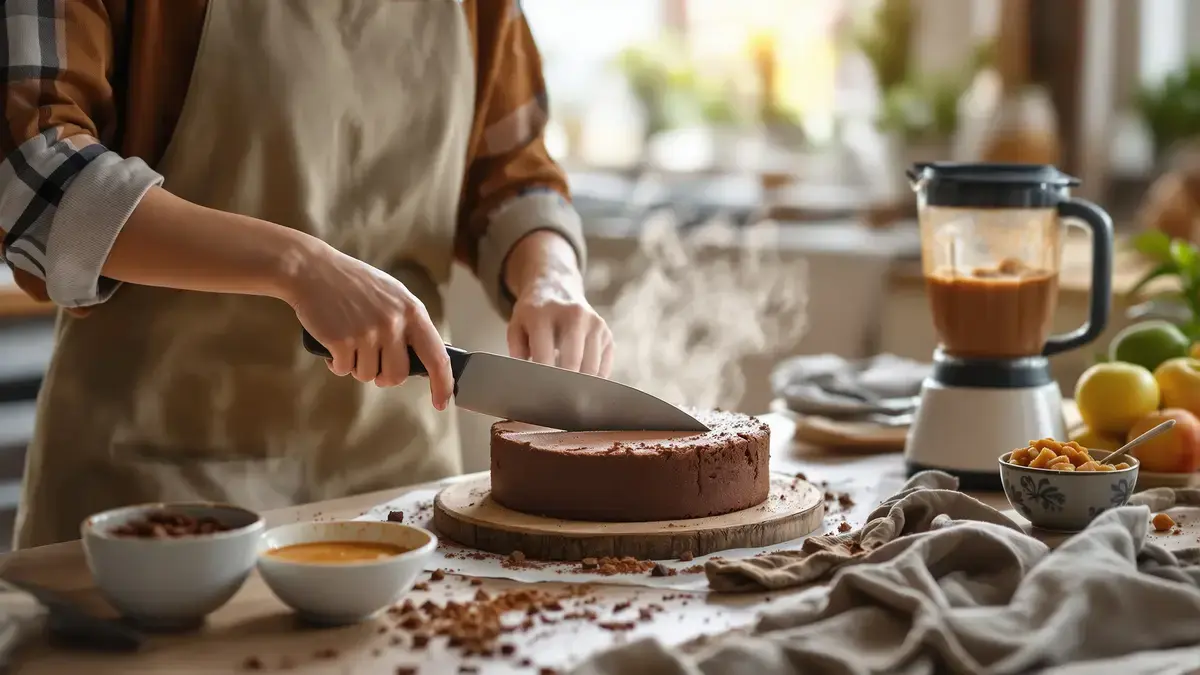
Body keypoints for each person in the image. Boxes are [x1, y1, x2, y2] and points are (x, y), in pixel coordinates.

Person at [0, 0, 613, 549]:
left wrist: (549, 276)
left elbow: (513, 169)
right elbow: (31, 171)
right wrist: (294, 264)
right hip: (154, 499)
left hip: (400, 499)